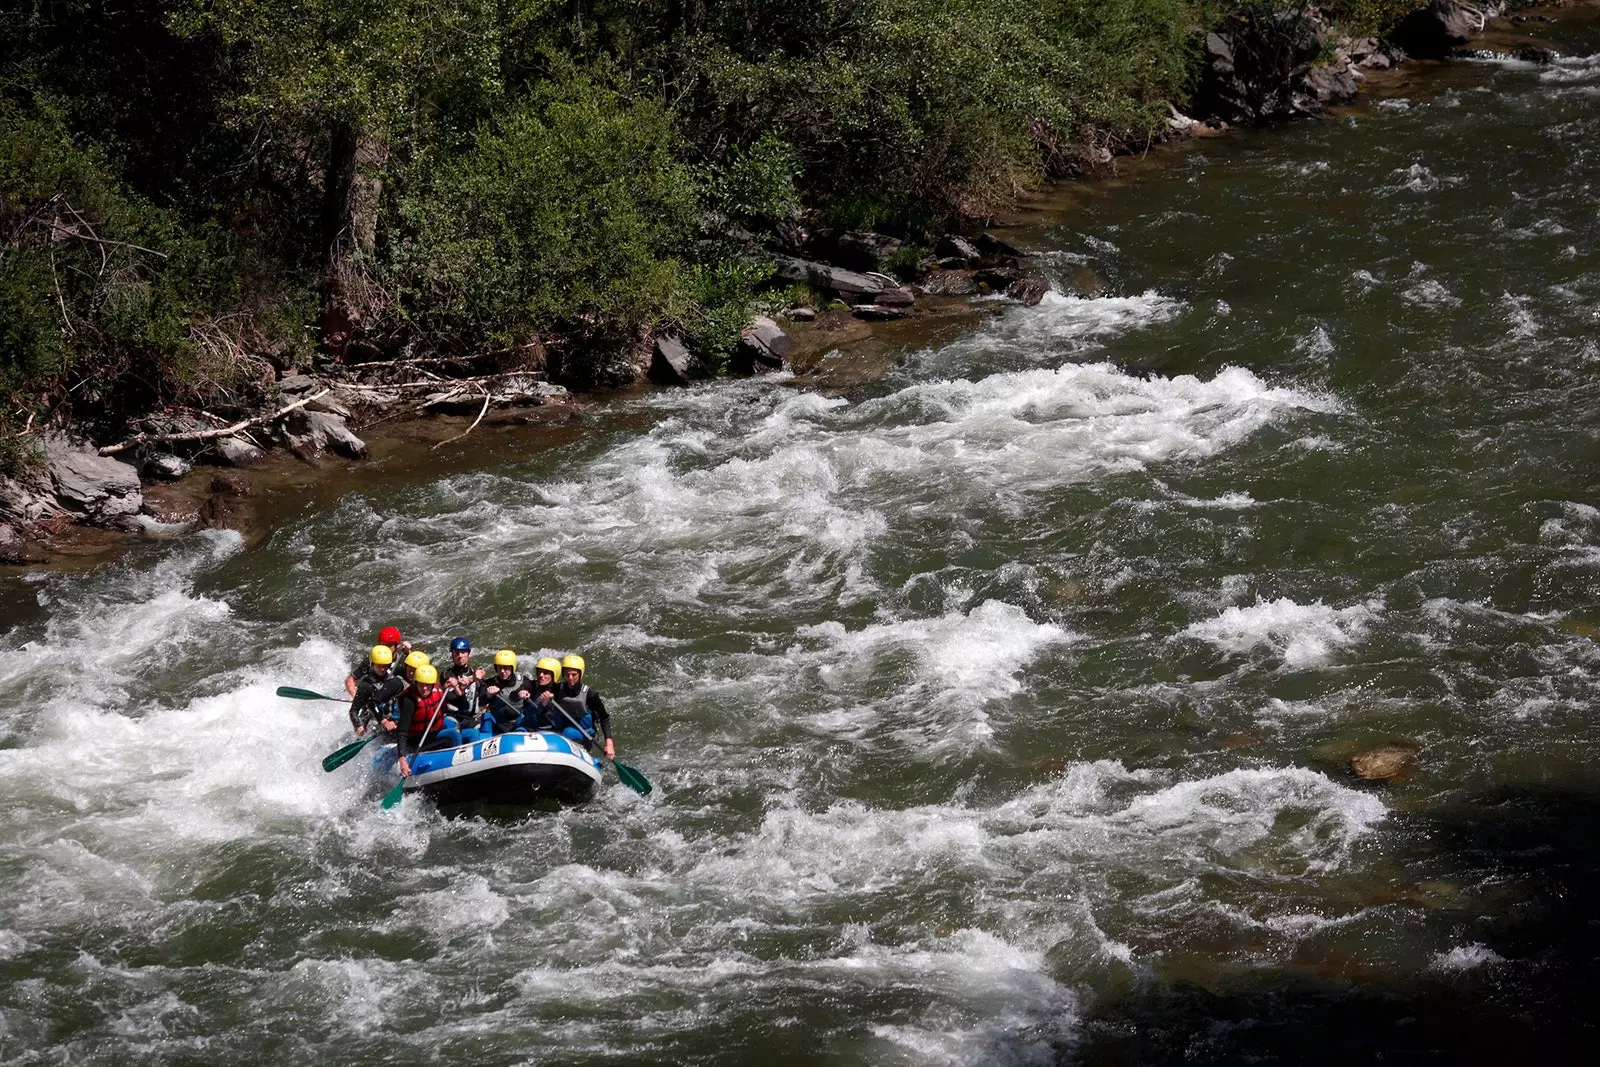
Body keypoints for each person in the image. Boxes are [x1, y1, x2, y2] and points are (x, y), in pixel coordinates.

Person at [386, 663, 459, 776]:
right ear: (415, 683)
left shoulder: (438, 690)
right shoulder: (409, 700)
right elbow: (402, 731)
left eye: (427, 685)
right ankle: (457, 763)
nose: (424, 689)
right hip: (417, 739)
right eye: (421, 685)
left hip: (432, 732)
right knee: (453, 734)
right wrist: (402, 758)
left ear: (433, 684)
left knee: (451, 723)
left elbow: (462, 704)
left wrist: (457, 687)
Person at [548, 654, 615, 760]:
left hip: (583, 736)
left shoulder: (590, 694)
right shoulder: (556, 689)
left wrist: (609, 742)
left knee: (568, 732)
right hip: (560, 732)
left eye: (574, 675)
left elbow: (604, 717)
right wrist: (546, 697)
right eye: (567, 674)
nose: (570, 678)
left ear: (580, 674)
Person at [347, 644, 405, 735]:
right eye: (379, 666)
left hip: (390, 721)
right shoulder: (366, 686)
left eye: (385, 666)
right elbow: (353, 711)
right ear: (372, 664)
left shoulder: (394, 681)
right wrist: (358, 726)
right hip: (371, 722)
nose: (382, 669)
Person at [345, 625, 411, 697]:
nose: (385, 648)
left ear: (396, 645)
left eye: (389, 646)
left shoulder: (402, 661)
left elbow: (416, 679)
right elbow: (350, 679)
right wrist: (356, 697)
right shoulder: (371, 661)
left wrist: (409, 653)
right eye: (383, 645)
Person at [478, 649, 525, 735]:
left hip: (517, 721)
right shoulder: (490, 683)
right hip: (498, 723)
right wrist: (488, 694)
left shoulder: (523, 680)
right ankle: (485, 738)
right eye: (499, 668)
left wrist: (523, 692)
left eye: (505, 668)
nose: (502, 671)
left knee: (524, 719)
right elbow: (481, 702)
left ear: (512, 667)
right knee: (487, 717)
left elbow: (530, 689)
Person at [441, 637, 483, 726]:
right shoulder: (446, 675)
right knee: (451, 728)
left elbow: (484, 696)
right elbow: (451, 697)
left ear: (468, 654)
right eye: (456, 653)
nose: (460, 656)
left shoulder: (475, 673)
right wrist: (471, 680)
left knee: (476, 731)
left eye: (463, 652)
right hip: (452, 716)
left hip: (470, 718)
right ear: (452, 655)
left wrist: (494, 688)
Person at [520, 657, 563, 731]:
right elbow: (524, 686)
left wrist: (547, 704)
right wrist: (522, 691)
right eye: (539, 672)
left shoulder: (559, 690)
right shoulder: (531, 685)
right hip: (530, 725)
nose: (541, 675)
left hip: (550, 728)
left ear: (554, 675)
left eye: (545, 673)